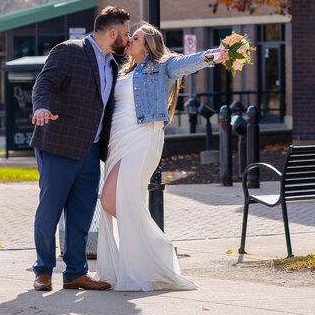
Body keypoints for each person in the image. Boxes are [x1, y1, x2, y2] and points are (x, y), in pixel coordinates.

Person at [96, 22, 225, 291]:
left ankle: (159, 249)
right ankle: (147, 253)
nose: (130, 39)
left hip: (143, 137)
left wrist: (214, 54)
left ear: (149, 44)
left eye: (136, 37)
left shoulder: (162, 66)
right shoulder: (121, 70)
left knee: (113, 199)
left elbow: (188, 62)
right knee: (110, 200)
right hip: (118, 141)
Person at [30, 6, 131, 293]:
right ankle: (44, 272)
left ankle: (75, 272)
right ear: (112, 33)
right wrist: (42, 106)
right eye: (125, 32)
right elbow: (44, 82)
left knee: (81, 213)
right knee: (50, 211)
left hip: (91, 150)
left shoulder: (113, 64)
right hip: (58, 146)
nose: (128, 36)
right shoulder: (69, 50)